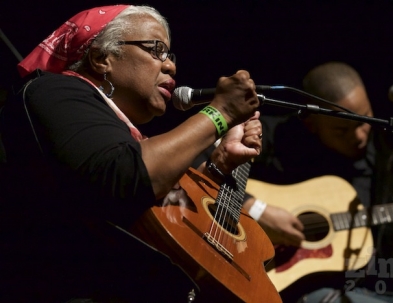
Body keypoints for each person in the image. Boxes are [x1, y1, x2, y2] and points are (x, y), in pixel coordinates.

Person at [0, 5, 265, 302]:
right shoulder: (54, 91)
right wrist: (221, 113)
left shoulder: (126, 137)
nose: (171, 67)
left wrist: (219, 164)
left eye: (171, 56)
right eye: (156, 50)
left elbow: (161, 217)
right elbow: (126, 177)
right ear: (102, 58)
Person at [240, 61, 393, 302]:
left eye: (364, 119)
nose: (360, 135)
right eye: (342, 130)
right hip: (314, 292)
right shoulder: (281, 138)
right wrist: (256, 210)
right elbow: (201, 169)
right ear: (311, 123)